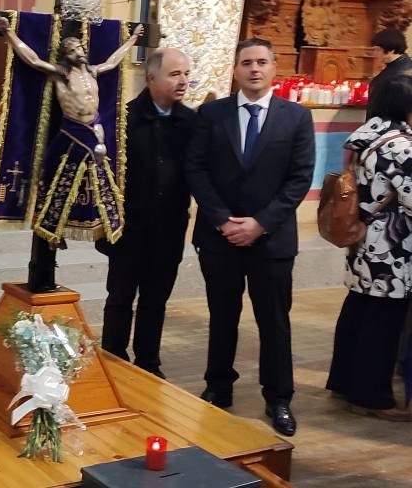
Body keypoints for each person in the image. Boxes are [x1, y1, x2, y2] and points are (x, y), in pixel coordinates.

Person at [185, 38, 315, 436]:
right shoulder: (212, 114)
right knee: (223, 315)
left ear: (275, 68)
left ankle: (278, 398)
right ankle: (218, 387)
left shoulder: (295, 118)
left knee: (274, 320)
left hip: (272, 241)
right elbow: (197, 170)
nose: (254, 69)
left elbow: (299, 178)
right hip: (219, 237)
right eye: (246, 63)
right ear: (235, 70)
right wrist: (223, 220)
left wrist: (260, 224)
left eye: (262, 62)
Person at [0, 15, 143, 292]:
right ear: (66, 55)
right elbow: (33, 60)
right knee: (56, 185)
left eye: (81, 48)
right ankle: (53, 233)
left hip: (95, 132)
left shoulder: (94, 72)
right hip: (72, 132)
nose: (80, 52)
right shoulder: (61, 73)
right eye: (74, 50)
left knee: (101, 182)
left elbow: (114, 60)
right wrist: (9, 34)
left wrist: (133, 39)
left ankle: (106, 229)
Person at [98, 48, 195, 379]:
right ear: (151, 78)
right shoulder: (123, 120)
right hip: (129, 231)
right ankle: (111, 357)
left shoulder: (191, 122)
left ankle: (148, 364)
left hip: (168, 231)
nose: (183, 80)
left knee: (156, 300)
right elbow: (106, 178)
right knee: (121, 297)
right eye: (174, 74)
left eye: (185, 73)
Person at [326, 75, 412, 421]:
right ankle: (371, 396)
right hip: (392, 246)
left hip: (361, 236)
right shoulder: (402, 146)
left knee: (357, 310)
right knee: (383, 322)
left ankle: (344, 382)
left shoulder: (364, 136)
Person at [366, 29, 412, 121]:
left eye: (378, 50)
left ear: (391, 50)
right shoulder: (393, 68)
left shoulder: (402, 76)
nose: (374, 54)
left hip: (391, 130)